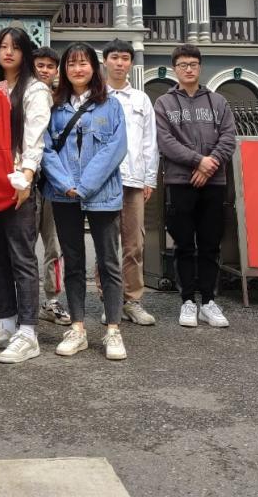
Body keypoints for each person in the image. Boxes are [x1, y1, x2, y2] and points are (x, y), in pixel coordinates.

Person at [0, 28, 52, 363]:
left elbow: (35, 138)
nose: (8, 52)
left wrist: (26, 178)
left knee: (22, 257)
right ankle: (6, 322)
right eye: (3, 46)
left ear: (25, 53)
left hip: (16, 183)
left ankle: (28, 332)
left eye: (15, 47)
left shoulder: (35, 89)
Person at [41, 42, 129, 360]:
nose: (77, 69)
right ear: (64, 70)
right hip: (63, 195)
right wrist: (66, 185)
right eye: (71, 64)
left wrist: (85, 185)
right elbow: (45, 149)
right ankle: (77, 328)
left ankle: (113, 330)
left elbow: (116, 148)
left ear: (94, 67)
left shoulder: (111, 105)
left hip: (103, 194)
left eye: (83, 63)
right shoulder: (55, 107)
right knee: (74, 261)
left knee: (109, 262)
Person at [154, 44, 236, 329]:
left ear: (200, 67)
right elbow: (165, 141)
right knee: (184, 244)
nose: (188, 69)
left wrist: (210, 164)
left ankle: (209, 301)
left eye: (193, 64)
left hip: (214, 183)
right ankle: (188, 300)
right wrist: (198, 161)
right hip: (180, 182)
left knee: (211, 243)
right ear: (174, 69)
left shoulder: (218, 101)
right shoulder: (164, 103)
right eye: (183, 65)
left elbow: (228, 137)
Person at [102, 39, 159, 326]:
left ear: (131, 64)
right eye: (114, 57)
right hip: (103, 181)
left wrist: (149, 178)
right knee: (106, 244)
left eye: (125, 58)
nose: (119, 63)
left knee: (134, 244)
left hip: (134, 181)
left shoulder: (141, 99)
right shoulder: (96, 97)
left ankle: (133, 300)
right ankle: (109, 301)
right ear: (105, 61)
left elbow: (150, 141)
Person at [31, 46, 70, 326]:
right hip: (29, 180)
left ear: (56, 71)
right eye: (40, 65)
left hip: (56, 183)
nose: (44, 70)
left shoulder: (63, 102)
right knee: (23, 245)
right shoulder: (22, 96)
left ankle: (52, 299)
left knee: (54, 245)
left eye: (49, 66)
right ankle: (23, 301)